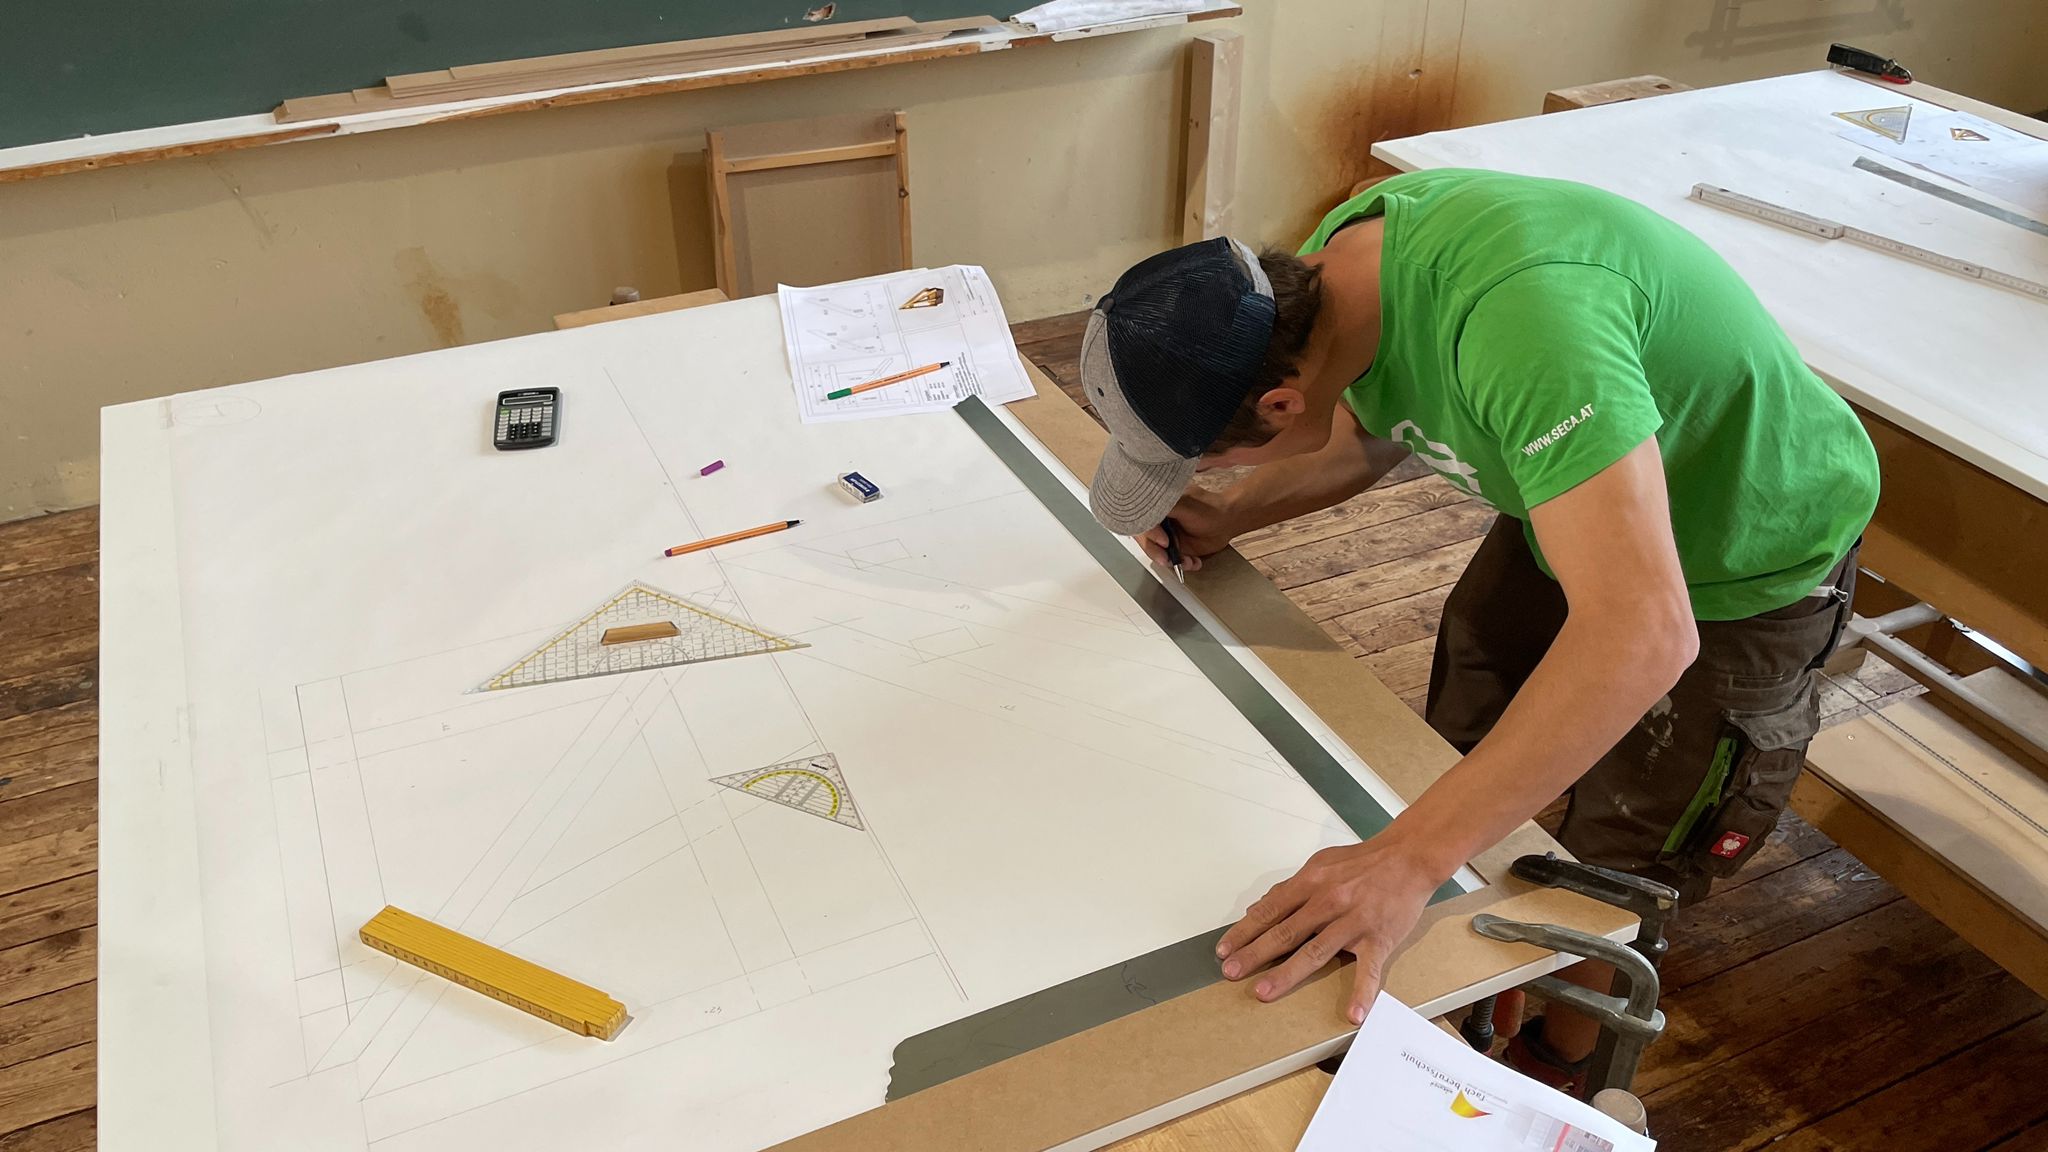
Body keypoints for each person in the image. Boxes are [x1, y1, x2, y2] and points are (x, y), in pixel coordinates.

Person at [1079, 168, 1878, 1090]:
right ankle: (1469, 997)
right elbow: (1379, 424)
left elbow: (1645, 631)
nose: (1199, 479)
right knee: (1453, 759)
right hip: (1571, 498)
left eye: (1202, 462)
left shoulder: (1527, 331)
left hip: (1741, 553)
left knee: (1613, 860)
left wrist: (1406, 860)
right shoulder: (1338, 275)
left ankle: (1555, 1065)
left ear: (1279, 404)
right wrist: (1233, 512)